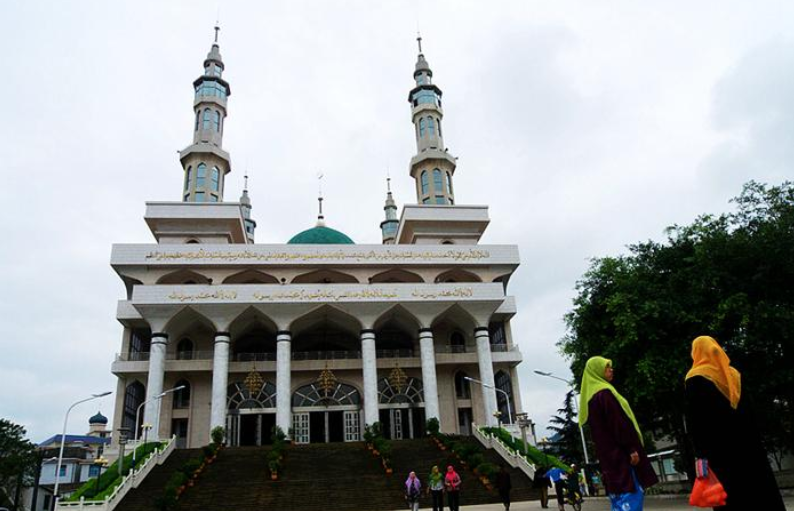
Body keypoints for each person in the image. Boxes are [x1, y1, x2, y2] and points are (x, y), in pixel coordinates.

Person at [684, 335, 786, 511]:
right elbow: (751, 414)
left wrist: (700, 454)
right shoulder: (733, 375)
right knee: (759, 493)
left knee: (732, 498)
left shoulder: (695, 378)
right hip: (749, 448)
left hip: (721, 452)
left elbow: (697, 423)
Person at [579, 356, 658, 511]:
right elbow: (619, 425)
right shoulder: (605, 394)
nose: (611, 369)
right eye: (606, 367)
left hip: (609, 460)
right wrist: (631, 449)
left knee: (618, 499)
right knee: (631, 496)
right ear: (597, 371)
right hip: (621, 456)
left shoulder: (591, 399)